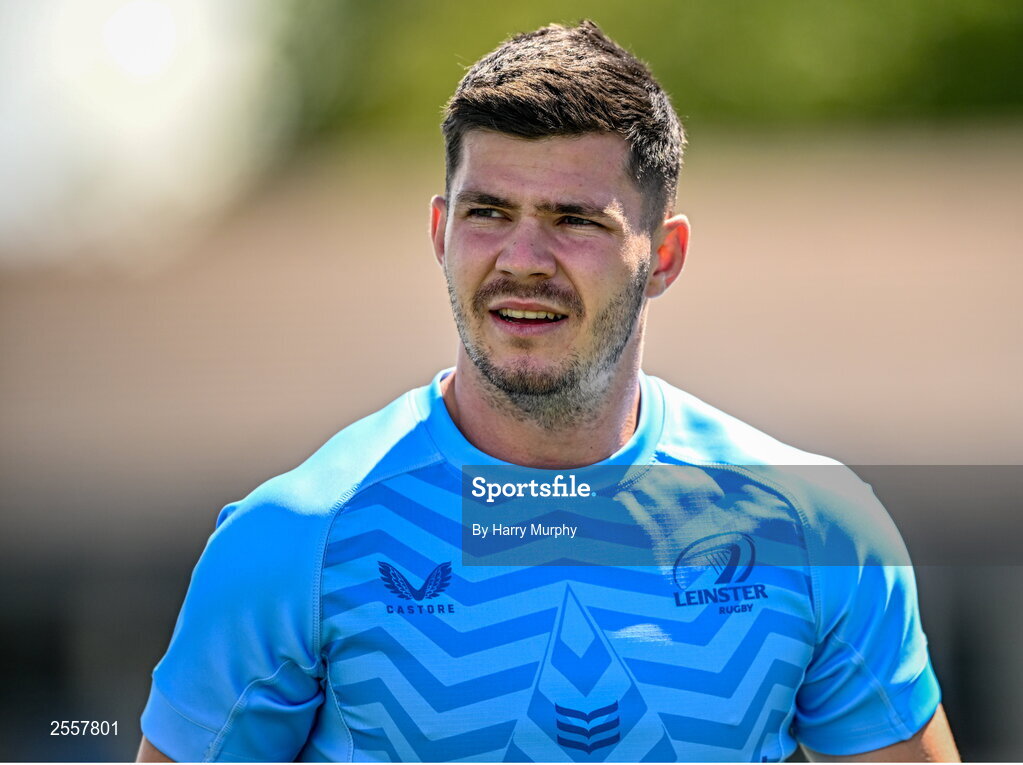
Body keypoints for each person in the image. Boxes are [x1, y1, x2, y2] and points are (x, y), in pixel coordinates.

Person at [137, 20, 959, 763]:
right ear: (440, 233)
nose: (522, 259)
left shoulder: (816, 526)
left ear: (663, 256)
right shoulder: (295, 537)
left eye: (574, 220)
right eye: (488, 212)